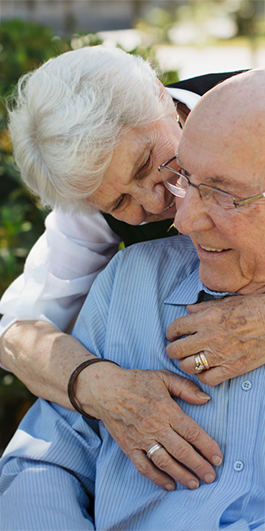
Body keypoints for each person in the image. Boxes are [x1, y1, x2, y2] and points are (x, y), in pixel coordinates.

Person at [0, 67, 264, 530]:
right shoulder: (130, 275)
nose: (170, 210)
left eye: (149, 165)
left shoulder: (251, 105)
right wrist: (101, 388)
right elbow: (17, 330)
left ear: (165, 103)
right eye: (119, 203)